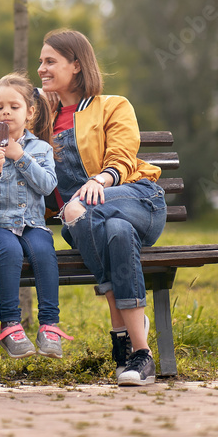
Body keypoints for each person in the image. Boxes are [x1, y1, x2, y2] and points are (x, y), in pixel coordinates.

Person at [38, 28, 167, 387]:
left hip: (136, 198)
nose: (41, 68)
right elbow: (5, 101)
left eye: (50, 61)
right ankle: (141, 354)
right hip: (85, 222)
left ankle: (119, 330)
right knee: (115, 231)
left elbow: (123, 159)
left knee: (92, 214)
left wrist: (99, 182)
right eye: (40, 62)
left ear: (76, 65)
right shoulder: (40, 119)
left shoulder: (112, 105)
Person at [0, 73, 73, 360]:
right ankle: (10, 325)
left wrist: (21, 158)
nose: (5, 112)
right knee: (10, 251)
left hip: (33, 224)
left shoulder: (40, 149)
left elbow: (48, 186)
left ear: (29, 113)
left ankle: (50, 326)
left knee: (43, 251)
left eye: (14, 107)